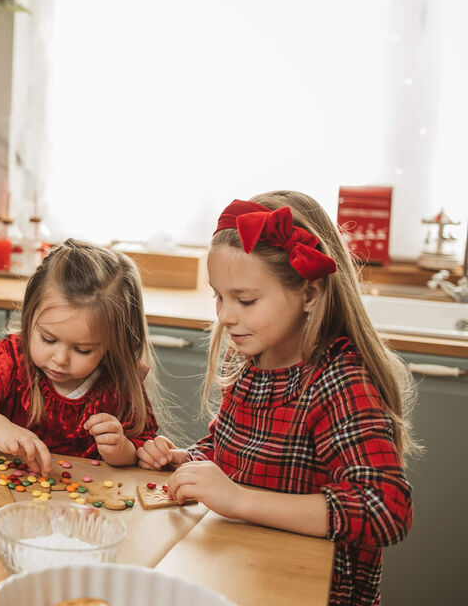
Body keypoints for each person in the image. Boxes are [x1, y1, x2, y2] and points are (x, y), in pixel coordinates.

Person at [136, 192, 415, 606]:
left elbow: (384, 510)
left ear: (310, 293)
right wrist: (188, 460)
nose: (226, 315)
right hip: (247, 575)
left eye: (245, 300)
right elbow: (235, 451)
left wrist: (237, 499)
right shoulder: (256, 358)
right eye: (219, 296)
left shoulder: (340, 381)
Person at [0, 239, 160, 476]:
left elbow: (145, 444)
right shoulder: (11, 361)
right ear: (30, 319)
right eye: (48, 339)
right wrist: (0, 428)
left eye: (83, 349)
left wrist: (123, 450)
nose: (60, 359)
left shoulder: (119, 382)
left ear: (114, 344)